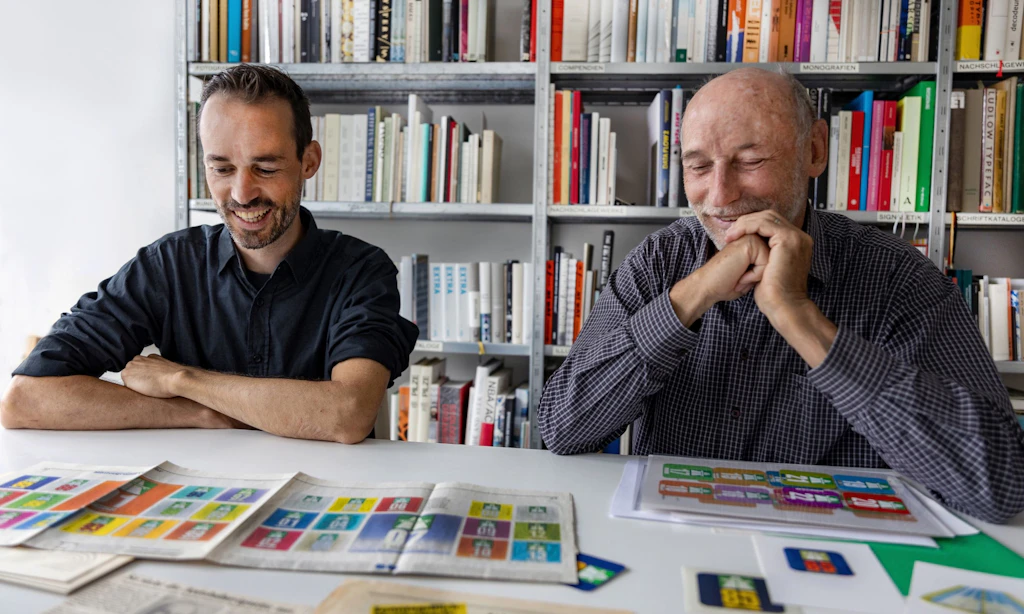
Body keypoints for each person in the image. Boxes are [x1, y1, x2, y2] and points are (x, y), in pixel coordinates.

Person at [537, 68, 1024, 523]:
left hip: (832, 563)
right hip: (673, 548)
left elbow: (999, 485)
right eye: (699, 166)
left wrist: (799, 318)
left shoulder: (898, 278)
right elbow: (562, 427)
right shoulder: (658, 263)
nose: (721, 196)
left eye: (751, 161)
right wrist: (693, 295)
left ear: (814, 151)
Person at [1, 64, 418, 444]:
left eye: (266, 168)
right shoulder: (167, 266)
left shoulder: (361, 270)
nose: (241, 193)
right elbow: (26, 399)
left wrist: (185, 380)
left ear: (308, 161)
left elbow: (346, 415)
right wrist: (200, 414)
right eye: (221, 168)